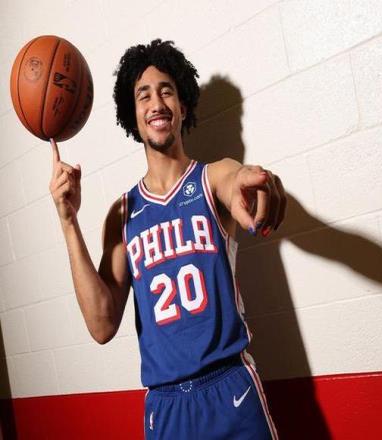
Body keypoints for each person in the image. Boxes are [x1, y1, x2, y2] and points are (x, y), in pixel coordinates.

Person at [49, 39, 286, 439]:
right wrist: (68, 219)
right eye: (144, 95)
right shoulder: (122, 214)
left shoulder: (212, 178)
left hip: (231, 390)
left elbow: (236, 179)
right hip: (166, 407)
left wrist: (256, 180)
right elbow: (101, 325)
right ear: (133, 115)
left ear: (183, 106)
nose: (156, 103)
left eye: (166, 92)